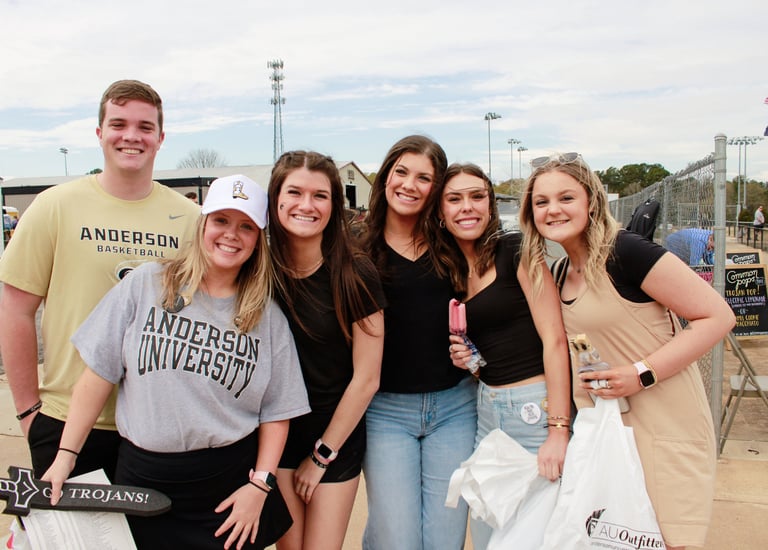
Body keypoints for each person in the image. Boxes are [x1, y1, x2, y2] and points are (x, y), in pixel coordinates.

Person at [42, 174, 311, 550]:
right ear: (203, 224)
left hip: (226, 489)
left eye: (246, 226)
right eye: (221, 220)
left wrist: (258, 486)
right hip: (142, 480)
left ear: (258, 239)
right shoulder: (147, 283)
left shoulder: (266, 317)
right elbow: (97, 375)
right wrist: (65, 457)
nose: (231, 234)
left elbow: (277, 413)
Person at [519, 152, 735, 549]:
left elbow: (717, 317)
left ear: (591, 201)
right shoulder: (562, 271)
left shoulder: (626, 252)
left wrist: (640, 372)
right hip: (608, 435)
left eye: (566, 198)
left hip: (665, 425)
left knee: (671, 540)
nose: (553, 210)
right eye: (541, 202)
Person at [0, 79, 200, 480]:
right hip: (67, 420)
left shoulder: (191, 220)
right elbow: (15, 311)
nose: (131, 136)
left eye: (145, 127)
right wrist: (28, 413)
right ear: (99, 133)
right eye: (118, 124)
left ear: (161, 138)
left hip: (156, 428)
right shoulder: (54, 206)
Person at [428, 163, 571, 550]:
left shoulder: (516, 250)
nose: (467, 207)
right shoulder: (452, 269)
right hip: (487, 410)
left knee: (532, 535)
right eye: (454, 199)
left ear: (490, 205)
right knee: (490, 530)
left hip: (534, 412)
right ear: (440, 212)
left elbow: (554, 340)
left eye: (477, 196)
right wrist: (471, 362)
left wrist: (559, 429)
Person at [360, 135, 477, 550]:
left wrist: (476, 356)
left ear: (436, 188)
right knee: (397, 539)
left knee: (445, 539)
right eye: (402, 172)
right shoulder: (358, 249)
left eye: (424, 177)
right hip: (386, 411)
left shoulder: (456, 247)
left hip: (454, 408)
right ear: (386, 176)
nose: (409, 184)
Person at [267, 151, 385, 549]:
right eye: (295, 192)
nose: (306, 205)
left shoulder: (355, 273)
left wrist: (322, 456)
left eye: (320, 195)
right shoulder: (258, 270)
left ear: (334, 204)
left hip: (335, 435)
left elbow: (367, 379)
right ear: (276, 199)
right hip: (276, 436)